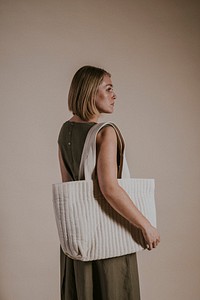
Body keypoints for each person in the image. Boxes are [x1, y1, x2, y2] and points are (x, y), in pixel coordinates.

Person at [58, 65, 160, 300]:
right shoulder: (106, 132)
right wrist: (145, 226)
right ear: (90, 92)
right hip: (108, 241)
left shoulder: (65, 131)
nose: (115, 95)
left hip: (79, 241)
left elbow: (68, 186)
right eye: (108, 88)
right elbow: (110, 188)